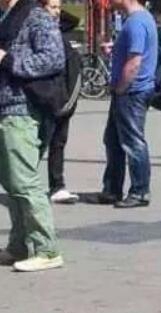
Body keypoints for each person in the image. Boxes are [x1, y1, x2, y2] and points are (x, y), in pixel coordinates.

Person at [0, 0, 65, 272]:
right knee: (12, 182)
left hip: (22, 110)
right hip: (7, 109)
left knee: (24, 181)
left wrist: (8, 60)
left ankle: (47, 248)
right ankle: (18, 245)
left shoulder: (36, 17)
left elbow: (54, 58)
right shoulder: (7, 18)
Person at [99, 0, 158, 208]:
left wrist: (120, 88)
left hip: (131, 93)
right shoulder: (139, 19)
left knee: (133, 142)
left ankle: (140, 191)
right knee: (113, 140)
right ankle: (112, 189)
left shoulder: (136, 23)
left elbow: (134, 62)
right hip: (129, 92)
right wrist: (115, 49)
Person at [39, 0, 82, 204]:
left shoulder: (60, 36)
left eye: (58, 8)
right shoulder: (40, 33)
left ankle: (57, 186)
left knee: (56, 143)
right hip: (45, 99)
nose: (57, 12)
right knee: (36, 144)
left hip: (60, 102)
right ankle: (24, 184)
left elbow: (74, 20)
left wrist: (66, 105)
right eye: (53, 7)